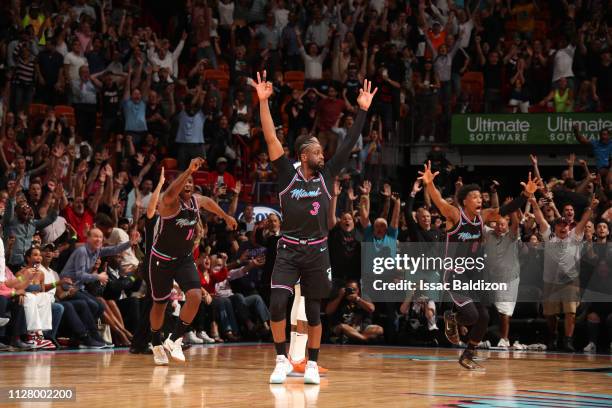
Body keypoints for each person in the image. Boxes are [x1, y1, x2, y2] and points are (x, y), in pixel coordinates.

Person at [249, 71, 376, 385]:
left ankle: (313, 365)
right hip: (289, 248)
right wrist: (263, 103)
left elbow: (348, 143)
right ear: (304, 155)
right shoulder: (285, 173)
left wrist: (362, 110)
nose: (325, 155)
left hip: (317, 250)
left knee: (315, 312)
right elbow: (270, 138)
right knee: (278, 304)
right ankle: (281, 359)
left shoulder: (328, 173)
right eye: (318, 151)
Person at [418, 162, 538, 370]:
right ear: (464, 201)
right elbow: (437, 200)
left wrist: (525, 195)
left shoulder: (484, 217)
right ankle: (452, 317)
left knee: (484, 316)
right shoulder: (455, 215)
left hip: (474, 273)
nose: (479, 199)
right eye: (474, 196)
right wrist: (429, 184)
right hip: (455, 273)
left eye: (480, 196)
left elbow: (506, 209)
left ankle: (468, 354)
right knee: (472, 316)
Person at [149, 158, 237, 366]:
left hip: (184, 259)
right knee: (160, 305)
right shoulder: (169, 202)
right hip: (161, 259)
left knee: (196, 296)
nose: (188, 184)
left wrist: (226, 217)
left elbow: (208, 202)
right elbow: (170, 192)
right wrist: (188, 168)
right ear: (177, 185)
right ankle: (155, 343)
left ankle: (175, 339)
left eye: (191, 182)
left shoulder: (195, 201)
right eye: (184, 182)